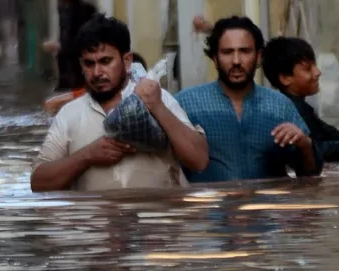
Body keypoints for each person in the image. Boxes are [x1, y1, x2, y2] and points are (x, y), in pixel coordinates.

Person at [31, 16, 208, 192]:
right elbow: (38, 183)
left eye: (105, 61)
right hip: (93, 219)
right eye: (89, 64)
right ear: (81, 65)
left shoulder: (157, 98)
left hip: (155, 218)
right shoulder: (70, 114)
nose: (97, 72)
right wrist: (87, 156)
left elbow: (199, 161)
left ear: (127, 60)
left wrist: (157, 108)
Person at [177, 16, 321, 183]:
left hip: (269, 207)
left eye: (245, 51)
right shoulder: (185, 104)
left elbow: (310, 175)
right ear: (215, 58)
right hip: (208, 207)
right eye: (227, 52)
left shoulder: (280, 106)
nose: (236, 61)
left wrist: (305, 144)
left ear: (259, 56)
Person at [45, 0, 99, 91]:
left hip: (80, 78)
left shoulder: (85, 12)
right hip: (68, 79)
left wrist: (59, 47)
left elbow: (85, 45)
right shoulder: (64, 11)